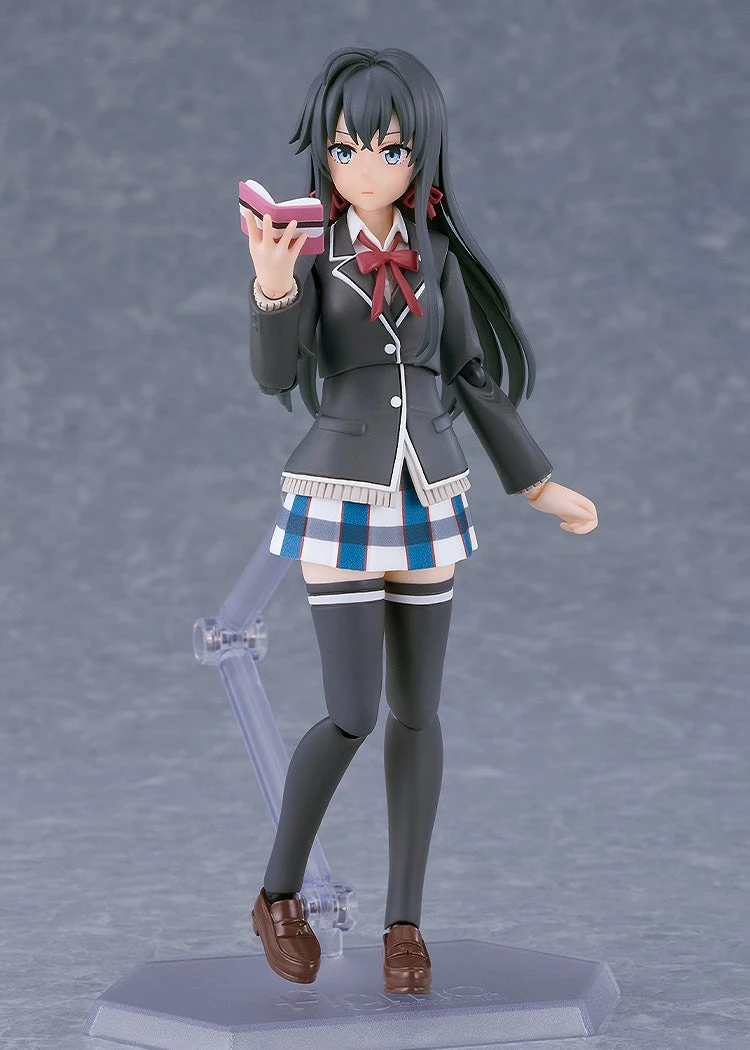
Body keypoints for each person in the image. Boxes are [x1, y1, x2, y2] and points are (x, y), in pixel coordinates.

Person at [243, 46, 597, 995]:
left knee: (418, 713)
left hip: (431, 491)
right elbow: (276, 378)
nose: (367, 167)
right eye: (346, 148)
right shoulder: (310, 250)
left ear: (422, 154)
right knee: (352, 712)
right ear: (325, 154)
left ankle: (405, 924)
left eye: (390, 148)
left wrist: (536, 481)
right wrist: (273, 291)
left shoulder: (435, 255)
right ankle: (276, 894)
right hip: (340, 490)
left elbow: (471, 375)